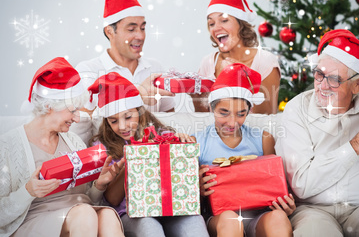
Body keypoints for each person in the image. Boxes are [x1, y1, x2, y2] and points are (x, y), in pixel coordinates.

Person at [277, 29, 359, 237]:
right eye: (319, 75)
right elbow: (302, 184)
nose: (322, 86)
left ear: (357, 84)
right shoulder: (297, 109)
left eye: (334, 79)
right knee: (316, 232)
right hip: (313, 211)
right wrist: (357, 145)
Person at [0, 57, 124, 237]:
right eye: (73, 111)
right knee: (84, 213)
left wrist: (99, 185)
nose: (76, 118)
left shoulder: (73, 141)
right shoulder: (7, 146)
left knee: (107, 215)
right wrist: (27, 192)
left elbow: (89, 198)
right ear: (49, 106)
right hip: (35, 220)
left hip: (80, 214)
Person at [87, 72, 209, 237]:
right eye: (113, 121)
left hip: (173, 209)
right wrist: (134, 158)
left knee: (195, 222)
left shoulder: (163, 135)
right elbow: (113, 200)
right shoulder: (102, 148)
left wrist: (182, 144)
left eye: (128, 116)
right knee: (149, 226)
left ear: (139, 111)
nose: (122, 126)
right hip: (133, 214)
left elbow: (185, 182)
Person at [192, 63, 295, 237]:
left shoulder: (263, 139)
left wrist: (286, 202)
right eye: (223, 113)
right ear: (211, 108)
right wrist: (197, 188)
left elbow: (274, 185)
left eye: (240, 114)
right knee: (231, 220)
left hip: (259, 215)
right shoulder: (197, 142)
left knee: (278, 217)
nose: (232, 123)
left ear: (249, 111)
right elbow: (186, 198)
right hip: (219, 218)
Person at [76, 0, 175, 113]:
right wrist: (137, 94)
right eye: (131, 29)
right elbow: (84, 120)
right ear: (110, 31)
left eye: (143, 28)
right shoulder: (89, 71)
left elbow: (168, 122)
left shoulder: (155, 69)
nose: (140, 36)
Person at [192, 0, 280, 115]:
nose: (216, 28)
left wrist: (242, 80)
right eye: (211, 24)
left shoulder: (265, 61)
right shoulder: (208, 62)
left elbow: (267, 118)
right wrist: (196, 97)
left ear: (241, 24)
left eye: (224, 20)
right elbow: (203, 119)